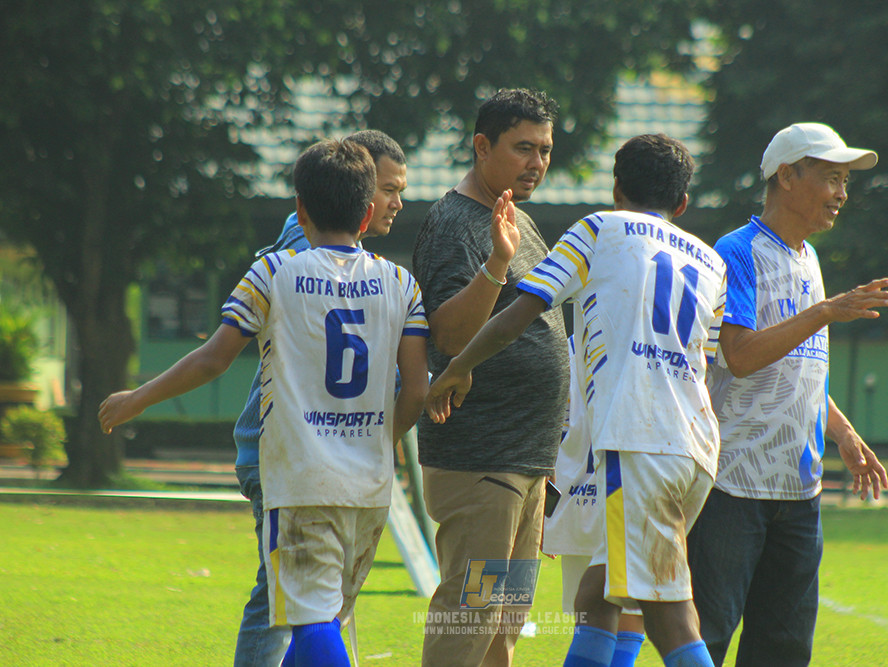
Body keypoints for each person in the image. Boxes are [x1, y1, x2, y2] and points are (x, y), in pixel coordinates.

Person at [99, 138, 429, 666]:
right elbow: (415, 389)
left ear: (300, 209)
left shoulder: (273, 273)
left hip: (300, 479)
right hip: (370, 486)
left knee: (308, 617)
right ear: (368, 212)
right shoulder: (402, 283)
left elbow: (212, 360)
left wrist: (138, 398)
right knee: (324, 615)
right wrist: (378, 441)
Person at [426, 133, 727, 667]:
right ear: (681, 205)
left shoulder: (599, 229)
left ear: (615, 188)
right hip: (696, 446)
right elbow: (711, 356)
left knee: (668, 614)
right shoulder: (709, 261)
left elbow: (522, 311)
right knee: (598, 598)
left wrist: (458, 366)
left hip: (639, 443)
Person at [686, 122, 888, 667]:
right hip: (734, 485)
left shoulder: (810, 259)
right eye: (832, 178)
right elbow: (741, 354)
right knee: (706, 638)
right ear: (787, 175)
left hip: (799, 492)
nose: (842, 194)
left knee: (783, 649)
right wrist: (824, 311)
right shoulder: (737, 251)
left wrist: (845, 435)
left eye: (846, 181)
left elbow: (801, 369)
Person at [231, 130, 408, 667]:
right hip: (292, 450)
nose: (394, 202)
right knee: (285, 602)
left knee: (310, 608)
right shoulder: (300, 249)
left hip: (337, 454)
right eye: (385, 188)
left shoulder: (369, 267)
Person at [412, 88, 569, 666]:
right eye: (523, 147)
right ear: (482, 146)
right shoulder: (456, 222)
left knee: (504, 625)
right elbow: (449, 338)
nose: (537, 162)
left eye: (545, 150)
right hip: (481, 459)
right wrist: (497, 263)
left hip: (524, 463)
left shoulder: (519, 220)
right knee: (469, 617)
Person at [543, 335, 646, 667]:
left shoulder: (568, 345)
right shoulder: (645, 341)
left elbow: (552, 428)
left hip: (578, 500)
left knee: (591, 614)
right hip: (633, 492)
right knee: (630, 611)